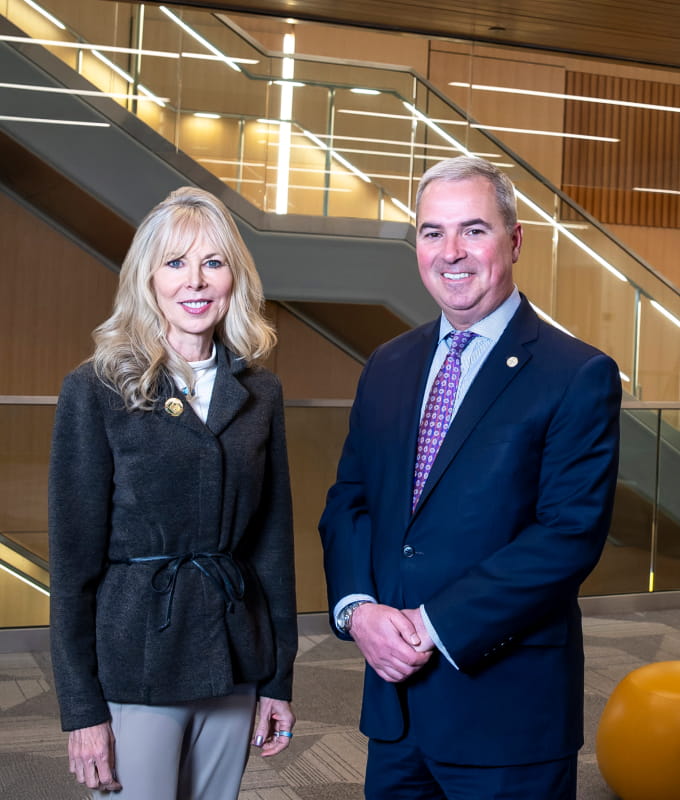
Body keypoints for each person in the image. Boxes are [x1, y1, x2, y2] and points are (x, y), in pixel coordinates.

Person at [319, 156, 621, 800]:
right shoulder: (388, 364)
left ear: (514, 241)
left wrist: (429, 625)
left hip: (506, 717)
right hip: (395, 711)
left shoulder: (577, 373)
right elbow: (351, 500)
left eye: (474, 230)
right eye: (432, 232)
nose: (451, 252)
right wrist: (358, 610)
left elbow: (568, 535)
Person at [48, 186, 297, 799]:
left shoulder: (260, 394)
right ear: (148, 278)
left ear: (234, 278)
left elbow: (272, 550)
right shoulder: (96, 388)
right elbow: (72, 564)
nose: (196, 281)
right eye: (176, 263)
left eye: (213, 263)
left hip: (234, 654)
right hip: (137, 658)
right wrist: (82, 709)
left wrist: (277, 679)